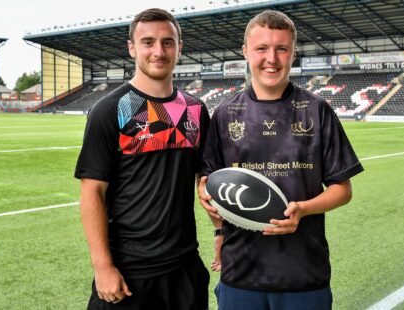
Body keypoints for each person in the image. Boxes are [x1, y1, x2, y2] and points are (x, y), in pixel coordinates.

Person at [198, 10, 364, 310]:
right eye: (261, 48)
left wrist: (303, 209)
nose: (271, 58)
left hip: (304, 275)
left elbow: (343, 189)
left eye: (281, 48)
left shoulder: (317, 111)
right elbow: (211, 184)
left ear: (292, 53)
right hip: (240, 275)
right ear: (246, 51)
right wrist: (214, 216)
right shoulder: (224, 115)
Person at [75, 8, 210, 309]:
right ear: (132, 48)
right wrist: (102, 267)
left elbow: (206, 180)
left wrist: (221, 230)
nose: (158, 51)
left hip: (185, 267)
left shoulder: (197, 110)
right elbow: (92, 192)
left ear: (179, 47)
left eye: (168, 42)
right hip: (129, 273)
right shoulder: (111, 110)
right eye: (148, 42)